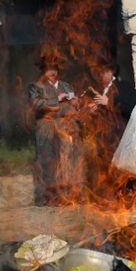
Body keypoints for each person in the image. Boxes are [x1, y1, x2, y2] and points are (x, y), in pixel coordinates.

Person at [27, 51, 83, 206]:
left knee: (68, 161)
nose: (52, 72)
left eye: (54, 69)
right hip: (46, 128)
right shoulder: (36, 87)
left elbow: (75, 105)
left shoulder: (66, 85)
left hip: (66, 127)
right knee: (48, 162)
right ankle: (49, 197)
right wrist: (55, 99)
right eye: (48, 69)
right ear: (43, 71)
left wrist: (76, 102)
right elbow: (35, 105)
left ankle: (69, 196)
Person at [80, 60, 136, 203]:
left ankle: (131, 197)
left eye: (104, 71)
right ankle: (113, 198)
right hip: (104, 137)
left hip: (120, 136)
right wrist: (94, 110)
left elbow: (133, 108)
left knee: (124, 168)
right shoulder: (99, 90)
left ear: (111, 72)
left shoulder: (123, 87)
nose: (101, 75)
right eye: (99, 72)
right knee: (107, 169)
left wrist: (109, 103)